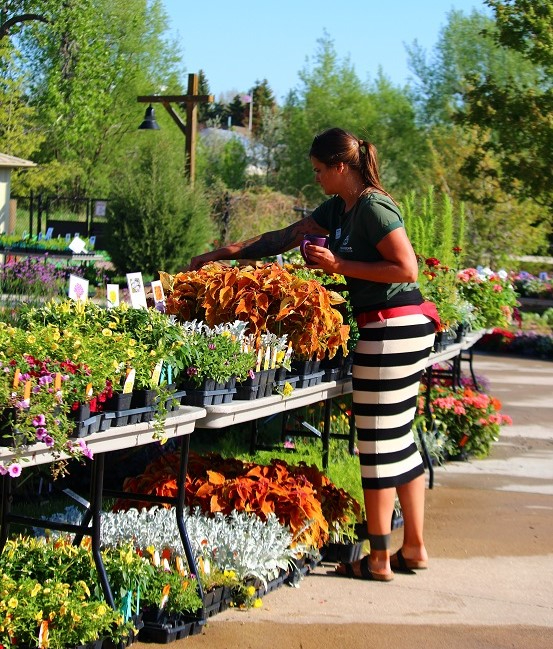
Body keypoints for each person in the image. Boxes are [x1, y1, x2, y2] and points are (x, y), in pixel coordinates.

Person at [189, 127, 438, 581]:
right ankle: (414, 548)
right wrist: (220, 254)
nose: (316, 178)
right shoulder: (339, 208)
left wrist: (339, 266)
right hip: (396, 329)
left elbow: (406, 266)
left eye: (320, 170)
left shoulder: (373, 207)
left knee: (377, 446)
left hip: (392, 328)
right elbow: (282, 237)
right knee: (399, 440)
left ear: (342, 167)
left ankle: (380, 558)